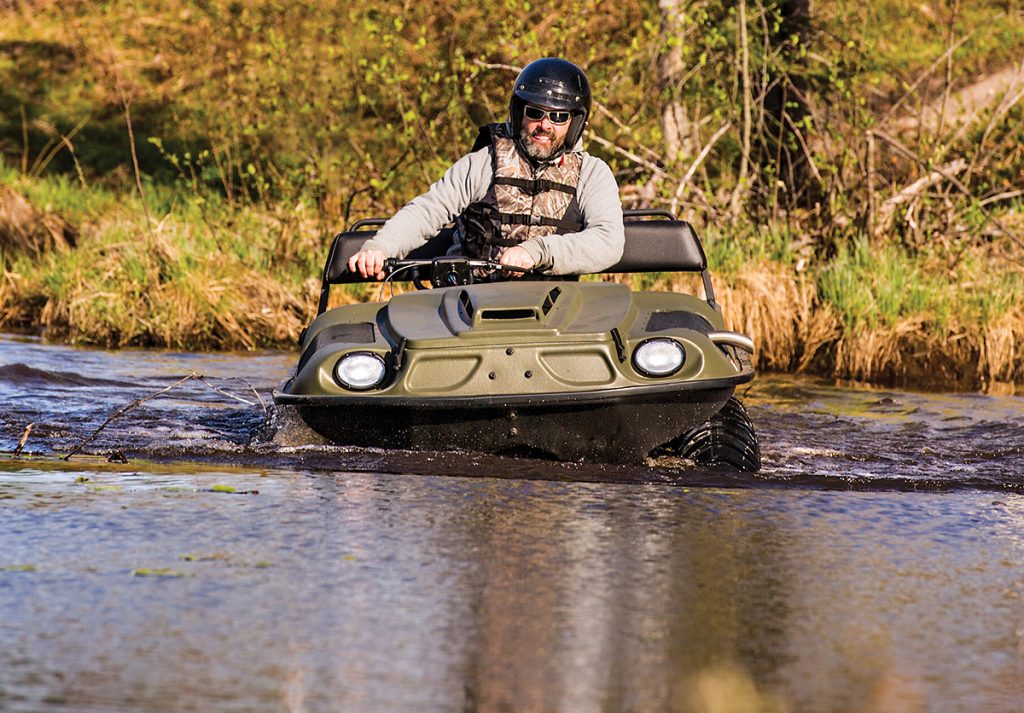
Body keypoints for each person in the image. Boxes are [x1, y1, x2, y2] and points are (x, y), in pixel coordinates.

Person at [347, 57, 624, 280]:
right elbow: (427, 211)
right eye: (535, 112)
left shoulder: (592, 174)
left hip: (557, 310)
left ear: (575, 123)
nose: (545, 125)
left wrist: (537, 252)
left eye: (559, 116)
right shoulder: (483, 161)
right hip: (470, 302)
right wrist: (380, 248)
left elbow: (608, 242)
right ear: (519, 113)